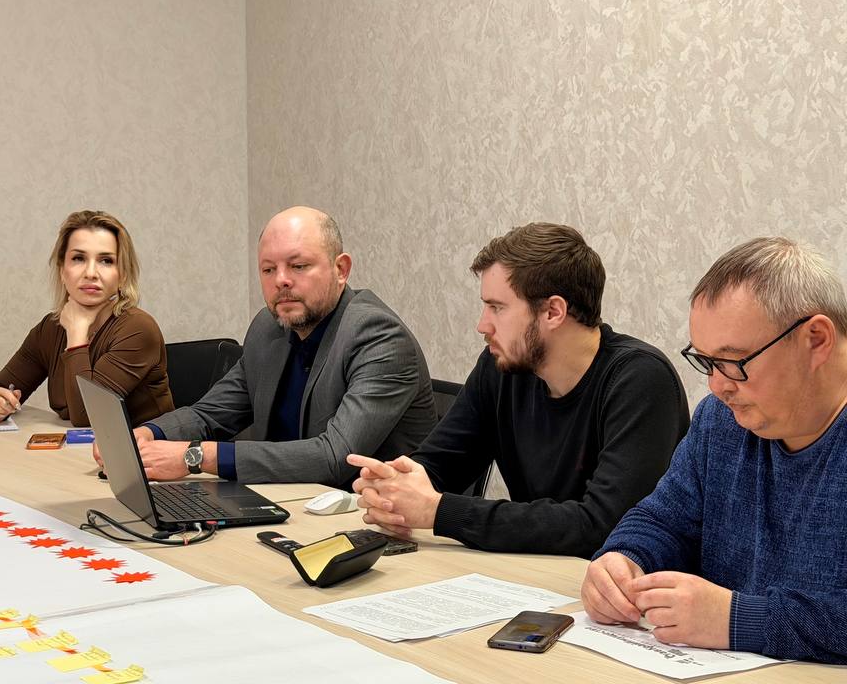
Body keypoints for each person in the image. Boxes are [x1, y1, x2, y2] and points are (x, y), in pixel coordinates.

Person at [351, 223, 688, 558]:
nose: (482, 325)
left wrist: (440, 512)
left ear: (553, 312)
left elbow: (603, 524)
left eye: (497, 308)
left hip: (608, 583)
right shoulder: (503, 367)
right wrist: (393, 489)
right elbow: (439, 465)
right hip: (531, 574)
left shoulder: (640, 379)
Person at [583, 237, 847, 663]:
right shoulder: (720, 421)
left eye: (734, 362)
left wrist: (738, 619)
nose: (717, 385)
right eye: (707, 362)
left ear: (816, 340)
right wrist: (624, 559)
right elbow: (664, 520)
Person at [102, 206, 437, 490]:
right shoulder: (269, 327)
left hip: (367, 523)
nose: (281, 281)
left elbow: (334, 457)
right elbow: (210, 414)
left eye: (298, 266)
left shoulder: (378, 337)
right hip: (287, 506)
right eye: (268, 269)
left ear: (341, 270)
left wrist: (198, 457)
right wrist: (147, 434)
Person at [0, 210, 173, 427]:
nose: (91, 273)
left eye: (106, 261)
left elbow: (88, 417)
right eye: (79, 258)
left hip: (142, 448)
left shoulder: (139, 329)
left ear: (122, 275)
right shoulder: (50, 328)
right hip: (78, 446)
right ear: (62, 270)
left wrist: (77, 333)